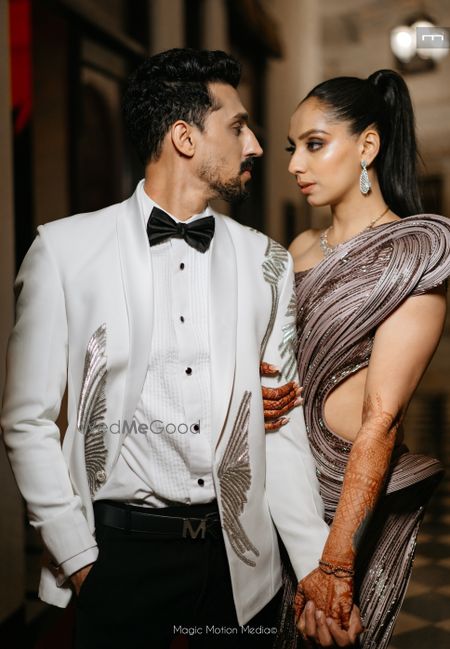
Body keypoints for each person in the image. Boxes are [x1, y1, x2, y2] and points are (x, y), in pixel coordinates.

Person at [0, 48, 343, 649]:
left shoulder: (267, 261)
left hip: (239, 561)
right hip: (120, 557)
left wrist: (314, 563)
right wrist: (80, 559)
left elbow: (280, 427)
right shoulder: (63, 251)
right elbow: (25, 420)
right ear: (185, 137)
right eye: (238, 126)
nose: (257, 145)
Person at [265, 69, 450, 648]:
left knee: (341, 638)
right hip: (282, 477)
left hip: (357, 494)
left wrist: (337, 560)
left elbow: (382, 418)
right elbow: (276, 362)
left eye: (314, 145)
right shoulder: (296, 249)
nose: (295, 164)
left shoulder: (415, 249)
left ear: (367, 145)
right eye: (293, 148)